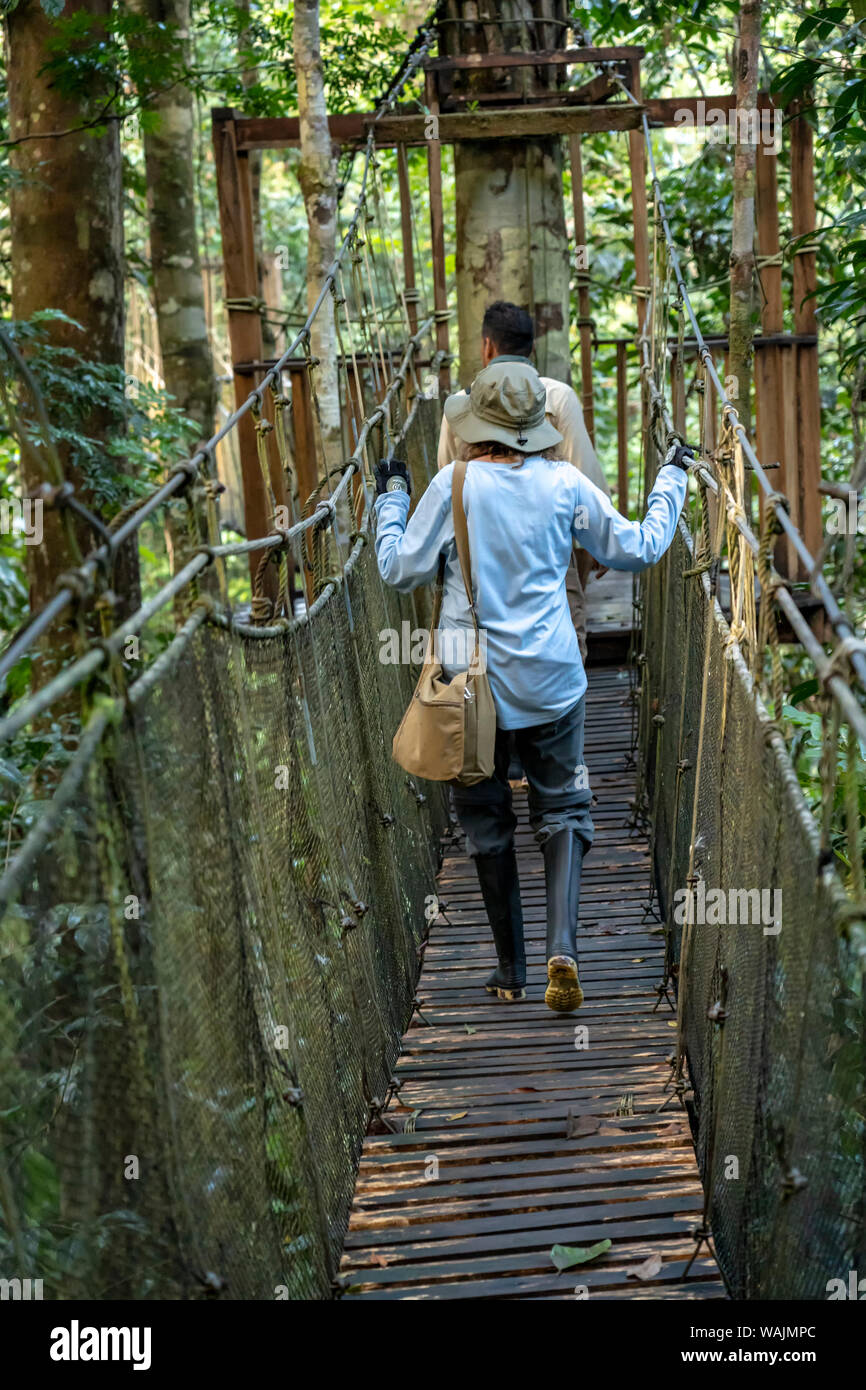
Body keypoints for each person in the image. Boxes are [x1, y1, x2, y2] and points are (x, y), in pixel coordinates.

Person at [374, 359, 693, 1014]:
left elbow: (400, 569)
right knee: (565, 809)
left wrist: (390, 500)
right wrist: (671, 482)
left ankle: (511, 969)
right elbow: (636, 548)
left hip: (470, 688)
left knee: (488, 823)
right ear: (535, 428)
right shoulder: (564, 483)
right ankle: (564, 946)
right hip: (552, 681)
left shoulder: (451, 483)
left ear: (475, 427)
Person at [437, 300, 608, 663]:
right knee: (565, 651)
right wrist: (598, 541)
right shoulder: (557, 397)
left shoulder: (459, 407)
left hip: (482, 574)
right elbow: (585, 477)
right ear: (532, 349)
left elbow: (449, 490)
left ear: (487, 347)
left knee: (486, 671)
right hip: (550, 563)